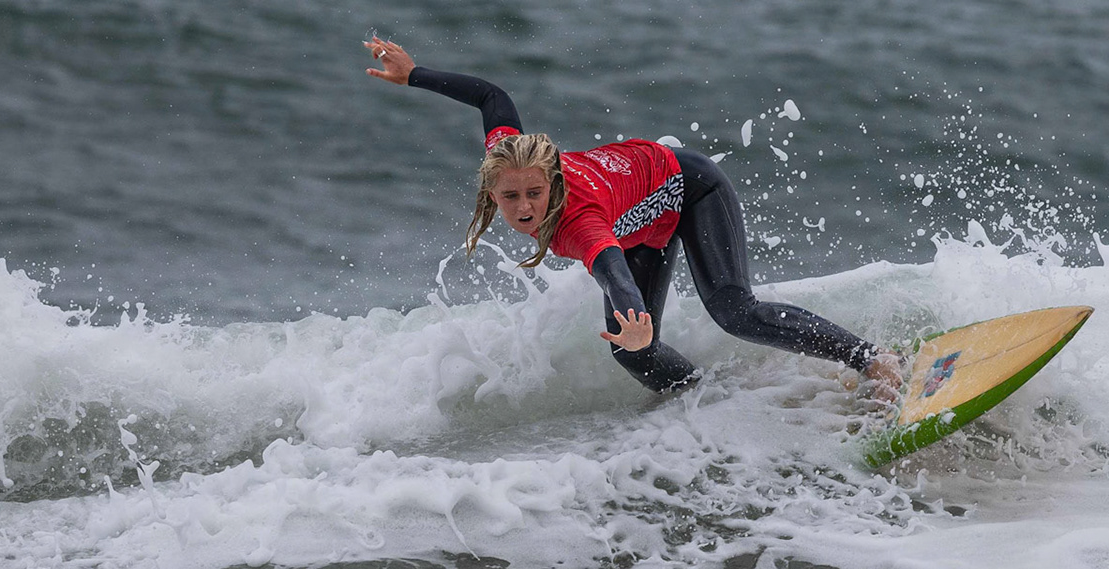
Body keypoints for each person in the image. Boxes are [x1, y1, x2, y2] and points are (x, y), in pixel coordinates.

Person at [364, 37, 903, 397]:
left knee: (732, 311)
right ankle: (705, 399)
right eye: (511, 198)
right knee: (633, 354)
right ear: (492, 189)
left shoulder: (579, 223)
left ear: (551, 180)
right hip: (641, 219)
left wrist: (634, 315)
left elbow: (612, 270)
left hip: (690, 188)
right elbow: (492, 97)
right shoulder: (509, 154)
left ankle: (873, 359)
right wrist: (414, 75)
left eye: (535, 193)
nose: (525, 207)